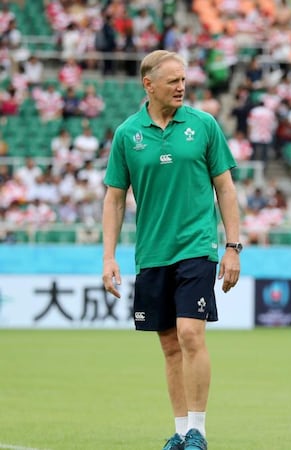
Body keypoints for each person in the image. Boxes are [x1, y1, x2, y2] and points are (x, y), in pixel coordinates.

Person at [101, 50, 242, 450]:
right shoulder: (128, 134)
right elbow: (114, 199)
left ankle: (198, 430)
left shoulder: (204, 125)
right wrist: (109, 256)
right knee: (168, 345)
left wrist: (232, 247)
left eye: (184, 79)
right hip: (151, 253)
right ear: (148, 85)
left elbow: (226, 188)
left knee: (190, 334)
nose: (182, 86)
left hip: (196, 247)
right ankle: (180, 433)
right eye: (173, 80)